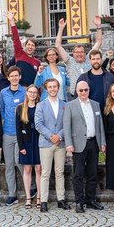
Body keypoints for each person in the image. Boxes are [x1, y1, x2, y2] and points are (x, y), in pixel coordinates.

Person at [64, 79, 106, 213]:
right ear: (76, 91)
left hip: (93, 143)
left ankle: (90, 200)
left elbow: (100, 126)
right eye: (80, 90)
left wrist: (102, 142)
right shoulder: (70, 105)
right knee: (78, 174)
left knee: (93, 173)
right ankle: (79, 202)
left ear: (89, 90)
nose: (83, 92)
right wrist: (69, 144)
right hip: (77, 145)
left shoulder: (95, 104)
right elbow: (66, 126)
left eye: (85, 90)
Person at [34, 78, 68, 212]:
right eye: (50, 87)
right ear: (46, 89)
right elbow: (38, 124)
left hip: (60, 143)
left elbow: (67, 123)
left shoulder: (65, 104)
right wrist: (51, 136)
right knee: (45, 173)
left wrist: (59, 136)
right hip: (46, 143)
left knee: (60, 172)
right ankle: (43, 201)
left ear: (58, 88)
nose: (53, 89)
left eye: (55, 86)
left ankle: (61, 199)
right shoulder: (40, 105)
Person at [55, 16, 102, 99]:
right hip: (74, 96)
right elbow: (57, 45)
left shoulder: (89, 58)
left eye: (81, 52)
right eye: (77, 52)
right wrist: (61, 28)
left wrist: (98, 27)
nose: (79, 54)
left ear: (85, 53)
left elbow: (98, 42)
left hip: (90, 95)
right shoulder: (69, 61)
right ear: (73, 54)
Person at [0, 66, 26, 206]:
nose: (14, 78)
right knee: (9, 165)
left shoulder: (25, 91)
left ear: (20, 77)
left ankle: (31, 188)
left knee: (19, 161)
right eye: (12, 76)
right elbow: (1, 110)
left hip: (20, 133)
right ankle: (12, 194)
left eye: (17, 75)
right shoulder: (3, 92)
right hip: (7, 133)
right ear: (8, 78)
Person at [16, 84, 42, 209]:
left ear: (37, 94)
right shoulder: (20, 108)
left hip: (38, 141)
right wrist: (21, 146)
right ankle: (28, 197)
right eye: (30, 92)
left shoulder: (41, 107)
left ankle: (39, 197)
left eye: (35, 92)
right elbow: (18, 129)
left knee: (39, 169)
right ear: (26, 93)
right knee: (27, 169)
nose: (32, 94)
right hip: (26, 141)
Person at [8, 10, 41, 86]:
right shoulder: (20, 54)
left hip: (32, 90)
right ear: (25, 46)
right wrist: (12, 22)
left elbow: (38, 79)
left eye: (32, 45)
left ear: (35, 48)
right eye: (28, 45)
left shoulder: (37, 62)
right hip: (20, 88)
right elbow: (16, 39)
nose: (30, 47)